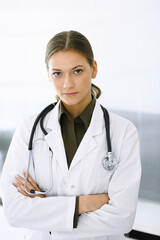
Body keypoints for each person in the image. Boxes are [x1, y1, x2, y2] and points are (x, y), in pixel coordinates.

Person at [0, 30, 141, 240]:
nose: (67, 84)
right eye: (57, 73)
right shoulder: (29, 128)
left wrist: (45, 213)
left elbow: (122, 217)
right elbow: (13, 211)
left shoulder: (123, 132)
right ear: (48, 74)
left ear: (93, 69)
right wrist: (83, 204)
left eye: (77, 71)